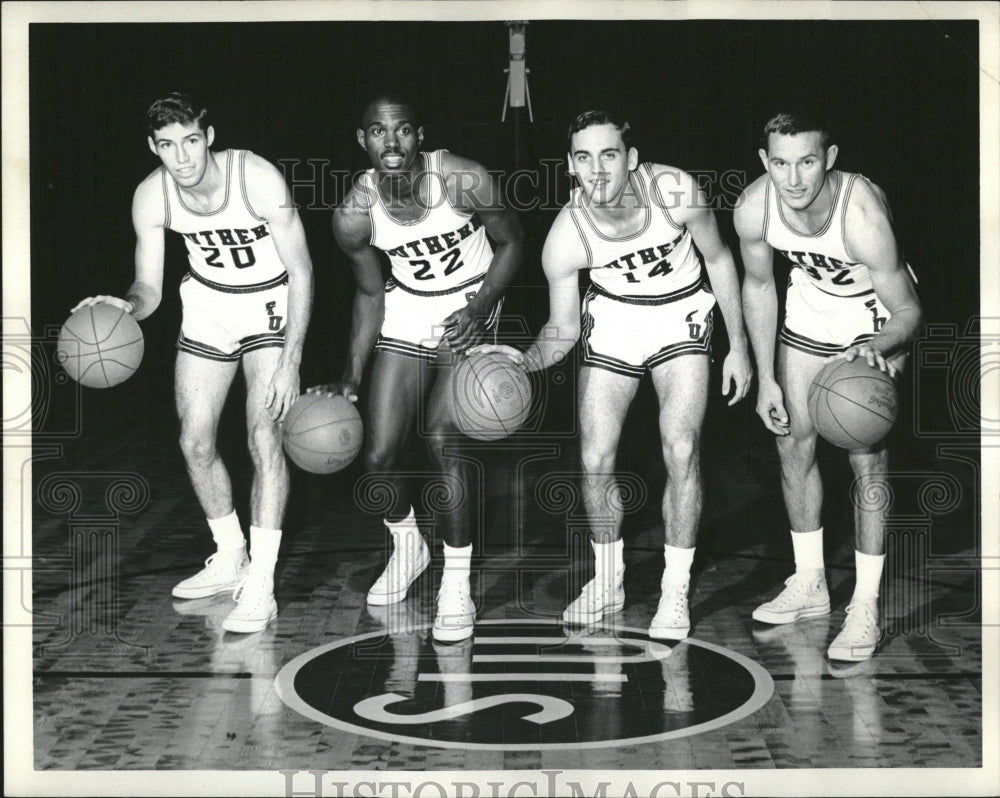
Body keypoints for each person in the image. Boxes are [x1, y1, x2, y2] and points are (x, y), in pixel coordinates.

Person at [474, 110, 752, 639]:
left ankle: (674, 588)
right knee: (596, 456)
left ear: (632, 159)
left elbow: (718, 260)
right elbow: (562, 327)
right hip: (617, 317)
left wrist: (738, 345)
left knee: (681, 445)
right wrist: (524, 361)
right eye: (584, 157)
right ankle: (608, 580)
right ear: (571, 166)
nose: (597, 169)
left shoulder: (675, 191)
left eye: (608, 155)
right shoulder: (566, 236)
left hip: (680, 311)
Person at [73, 93, 314, 633]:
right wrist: (125, 306)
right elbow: (150, 288)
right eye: (166, 146)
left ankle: (262, 583)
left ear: (208, 136)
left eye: (189, 141)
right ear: (152, 147)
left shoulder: (256, 178)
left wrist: (292, 357)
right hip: (207, 306)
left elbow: (301, 268)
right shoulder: (150, 196)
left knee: (263, 436)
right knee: (195, 441)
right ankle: (232, 556)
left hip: (269, 303)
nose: (181, 157)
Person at [312, 94, 524, 642]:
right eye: (379, 133)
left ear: (419, 135)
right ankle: (409, 547)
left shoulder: (463, 178)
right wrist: (351, 376)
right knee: (377, 453)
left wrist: (480, 310)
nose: (392, 142)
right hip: (408, 303)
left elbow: (511, 243)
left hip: (470, 301)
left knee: (441, 436)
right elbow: (367, 293)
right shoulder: (353, 215)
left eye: (403, 131)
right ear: (363, 141)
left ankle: (457, 585)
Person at [734, 110, 923, 661]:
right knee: (791, 439)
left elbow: (909, 307)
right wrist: (766, 375)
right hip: (813, 310)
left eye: (808, 162)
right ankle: (811, 583)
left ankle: (864, 604)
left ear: (830, 159)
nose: (794, 179)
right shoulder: (753, 207)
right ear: (765, 161)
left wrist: (879, 347)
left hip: (874, 317)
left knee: (866, 453)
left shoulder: (861, 211)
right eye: (782, 164)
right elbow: (759, 284)